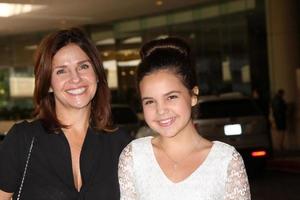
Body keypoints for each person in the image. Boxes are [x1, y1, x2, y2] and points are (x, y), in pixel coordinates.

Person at [0, 28, 130, 200]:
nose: (75, 78)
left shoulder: (120, 143)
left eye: (83, 66)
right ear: (48, 83)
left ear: (97, 74)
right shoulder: (22, 140)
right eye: (61, 71)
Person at [118, 37, 251, 199]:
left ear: (193, 95)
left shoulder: (226, 161)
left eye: (171, 97)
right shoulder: (134, 156)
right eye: (150, 101)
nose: (161, 110)